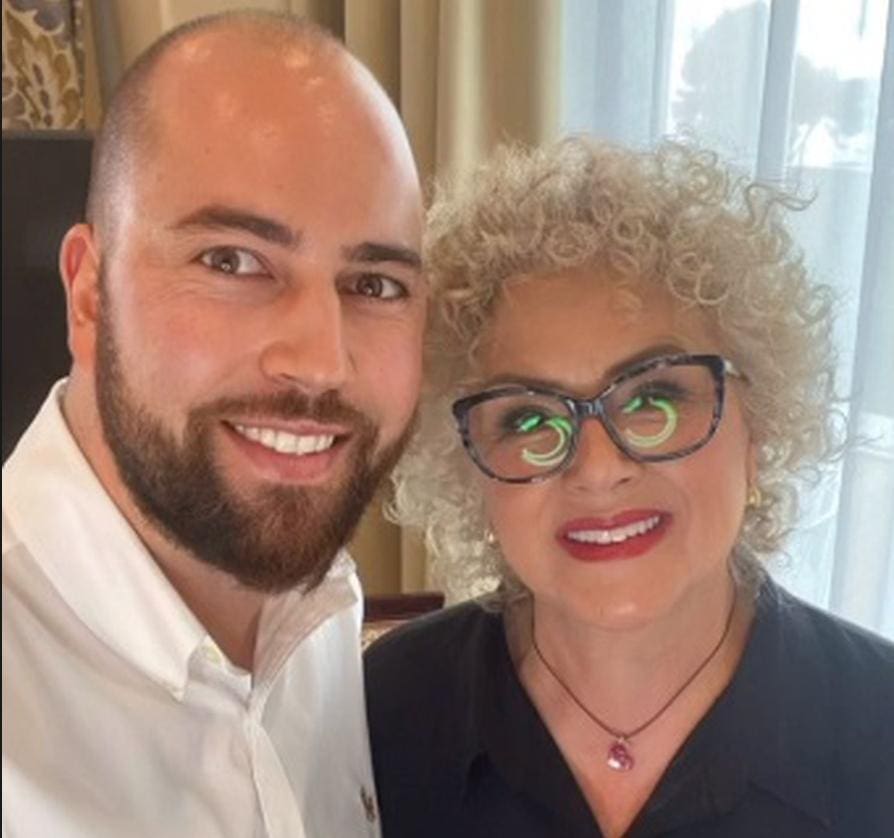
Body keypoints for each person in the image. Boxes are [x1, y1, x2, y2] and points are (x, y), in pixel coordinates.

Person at [365, 138, 894, 837]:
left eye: (654, 400)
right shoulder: (385, 710)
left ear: (757, 431)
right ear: (471, 468)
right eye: (529, 417)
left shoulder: (878, 728)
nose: (597, 466)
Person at [2, 11, 425, 838]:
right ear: (88, 295)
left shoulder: (321, 610)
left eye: (375, 284)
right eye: (232, 261)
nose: (321, 362)